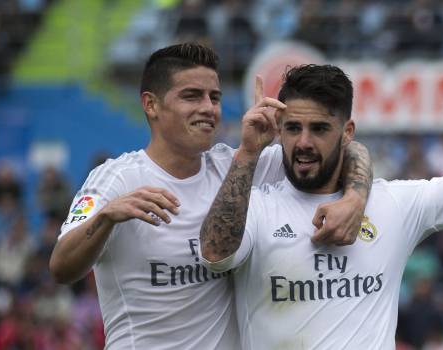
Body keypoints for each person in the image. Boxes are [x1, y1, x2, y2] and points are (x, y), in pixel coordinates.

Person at [199, 6, 443, 349]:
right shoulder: (258, 208)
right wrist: (248, 153)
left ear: (347, 131)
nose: (304, 142)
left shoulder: (395, 206)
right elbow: (214, 255)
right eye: (293, 128)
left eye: (320, 129)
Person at [48, 43, 372, 349]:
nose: (208, 108)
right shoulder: (117, 179)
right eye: (192, 96)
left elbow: (346, 147)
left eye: (214, 97)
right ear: (151, 104)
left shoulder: (240, 166)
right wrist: (105, 218)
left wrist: (355, 200)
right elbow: (61, 267)